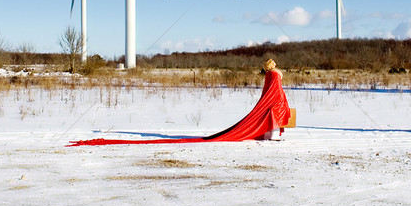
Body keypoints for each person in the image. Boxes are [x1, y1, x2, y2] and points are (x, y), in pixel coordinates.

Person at [68, 58, 291, 146]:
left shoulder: (271, 75)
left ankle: (269, 134)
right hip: (277, 98)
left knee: (270, 115)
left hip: (276, 98)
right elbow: (274, 89)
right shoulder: (275, 74)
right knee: (271, 116)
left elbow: (271, 89)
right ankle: (270, 135)